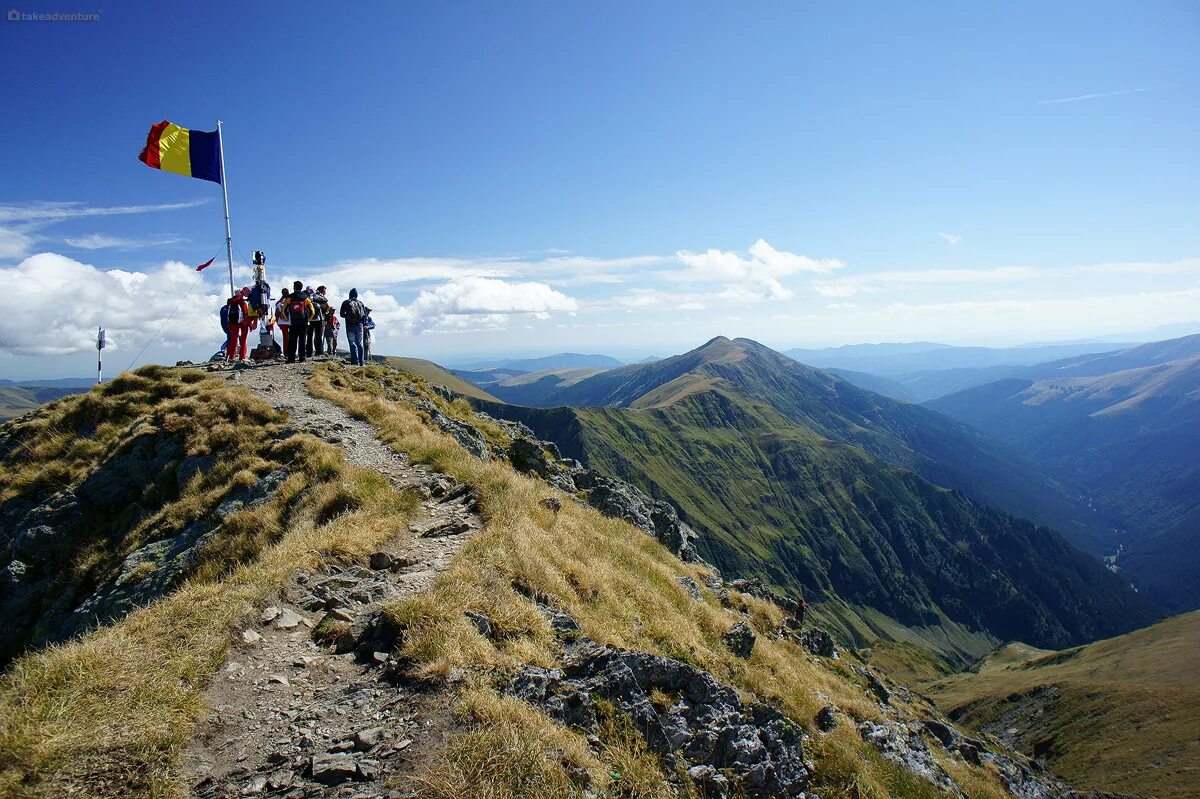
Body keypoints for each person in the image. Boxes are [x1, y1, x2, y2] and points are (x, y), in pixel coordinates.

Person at [284, 280, 316, 363]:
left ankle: (291, 358)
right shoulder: (305, 298)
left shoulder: (290, 297)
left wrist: (286, 318)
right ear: (301, 288)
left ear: (294, 288)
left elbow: (283, 310)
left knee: (292, 340)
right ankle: (302, 357)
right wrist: (309, 319)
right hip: (304, 322)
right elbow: (313, 311)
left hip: (293, 322)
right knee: (302, 340)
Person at [340, 288, 368, 366]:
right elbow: (364, 316)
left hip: (350, 326)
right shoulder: (361, 303)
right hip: (359, 326)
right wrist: (363, 324)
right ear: (357, 295)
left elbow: (342, 314)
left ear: (349, 295)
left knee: (352, 343)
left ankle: (355, 361)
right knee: (359, 343)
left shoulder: (345, 303)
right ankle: (361, 362)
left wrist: (348, 316)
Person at [225, 291, 252, 362]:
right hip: (242, 323)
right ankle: (242, 357)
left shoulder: (230, 302)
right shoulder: (242, 302)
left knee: (233, 340)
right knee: (243, 340)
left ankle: (230, 356)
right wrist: (249, 324)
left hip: (233, 323)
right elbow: (246, 313)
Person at [275, 287, 291, 358]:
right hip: (290, 321)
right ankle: (290, 352)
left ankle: (286, 353)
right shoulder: (290, 300)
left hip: (282, 322)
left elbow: (277, 313)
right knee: (291, 337)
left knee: (285, 338)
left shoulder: (279, 302)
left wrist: (277, 322)